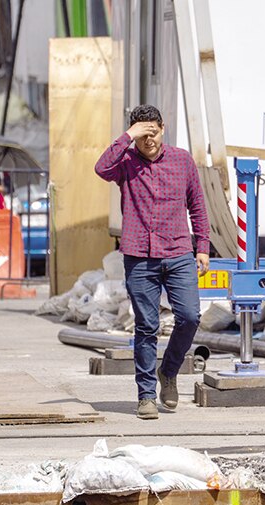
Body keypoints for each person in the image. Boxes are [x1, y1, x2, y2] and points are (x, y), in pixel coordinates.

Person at [95, 105, 210, 420]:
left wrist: (203, 246)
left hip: (178, 252)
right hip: (139, 255)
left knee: (189, 316)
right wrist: (129, 136)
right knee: (146, 326)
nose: (149, 141)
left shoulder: (182, 160)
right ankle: (146, 396)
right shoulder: (126, 163)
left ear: (163, 127)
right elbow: (101, 168)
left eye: (153, 132)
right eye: (143, 135)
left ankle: (168, 371)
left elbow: (197, 203)